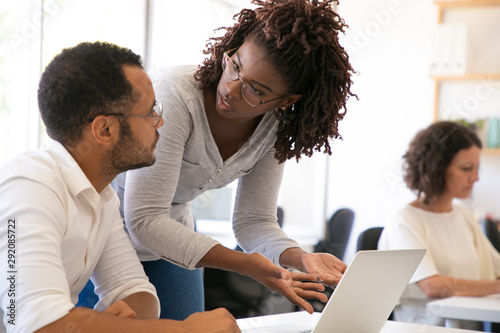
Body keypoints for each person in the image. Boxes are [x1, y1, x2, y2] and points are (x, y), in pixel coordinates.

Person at [108, 0, 355, 320]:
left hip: (173, 241)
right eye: (235, 65)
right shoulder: (176, 97)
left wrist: (299, 257)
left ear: (288, 100)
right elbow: (144, 219)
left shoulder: (273, 129)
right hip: (108, 232)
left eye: (255, 89)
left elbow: (254, 221)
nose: (231, 88)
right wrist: (245, 264)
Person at [0, 41, 240, 332]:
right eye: (150, 112)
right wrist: (185, 330)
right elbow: (39, 326)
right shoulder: (28, 187)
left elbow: (134, 290)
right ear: (105, 130)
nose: (160, 121)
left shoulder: (102, 194)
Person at [378, 121, 500, 331]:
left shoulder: (463, 214)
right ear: (436, 168)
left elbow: (495, 269)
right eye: (466, 168)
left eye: (476, 168)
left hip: (468, 327)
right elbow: (432, 286)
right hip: (426, 328)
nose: (476, 177)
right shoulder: (404, 220)